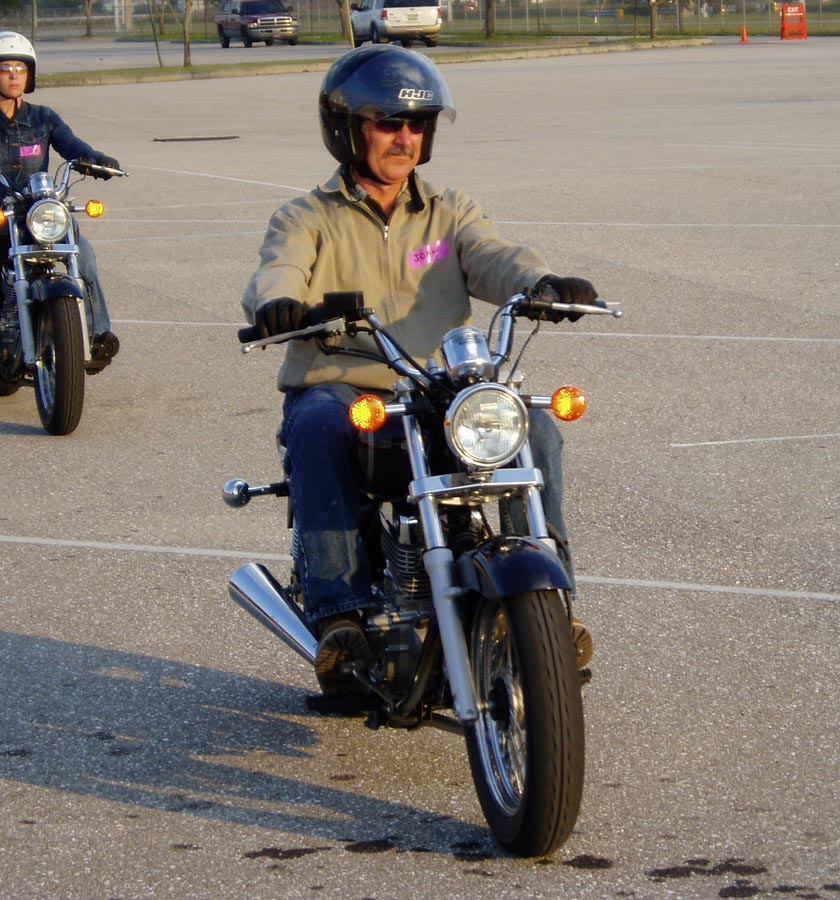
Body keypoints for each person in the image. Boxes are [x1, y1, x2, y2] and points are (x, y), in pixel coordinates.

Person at [242, 45, 598, 698]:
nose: (403, 137)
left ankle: (552, 603)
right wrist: (280, 306)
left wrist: (540, 282)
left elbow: (492, 255)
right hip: (348, 386)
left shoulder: (448, 212)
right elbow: (279, 269)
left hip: (438, 390)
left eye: (416, 124)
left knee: (536, 427)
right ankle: (341, 615)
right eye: (387, 123)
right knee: (319, 424)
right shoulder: (306, 216)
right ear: (349, 129)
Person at [0, 31, 121, 362]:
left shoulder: (43, 118)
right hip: (3, 215)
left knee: (82, 253)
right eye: (5, 68)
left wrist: (95, 159)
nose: (13, 75)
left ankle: (94, 336)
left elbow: (71, 145)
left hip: (38, 211)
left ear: (30, 75)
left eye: (20, 68)